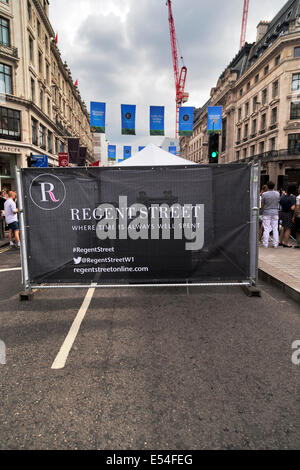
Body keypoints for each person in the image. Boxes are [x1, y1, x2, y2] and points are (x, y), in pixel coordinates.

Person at [261, 181, 280, 248]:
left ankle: (265, 244)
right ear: (273, 186)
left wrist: (262, 210)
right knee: (275, 228)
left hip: (266, 212)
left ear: (267, 186)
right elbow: (278, 202)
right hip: (275, 212)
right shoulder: (277, 193)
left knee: (266, 228)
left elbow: (262, 205)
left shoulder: (264, 194)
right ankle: (275, 244)